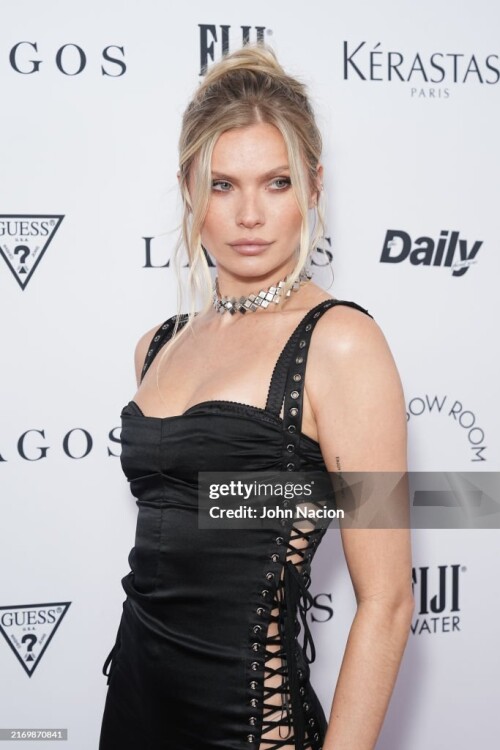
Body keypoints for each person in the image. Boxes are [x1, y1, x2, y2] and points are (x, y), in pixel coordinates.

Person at [98, 43, 414, 750]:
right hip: (133, 709)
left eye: (276, 183)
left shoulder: (341, 344)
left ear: (314, 187)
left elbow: (388, 603)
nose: (249, 214)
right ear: (188, 188)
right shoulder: (158, 344)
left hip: (247, 726)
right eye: (222, 184)